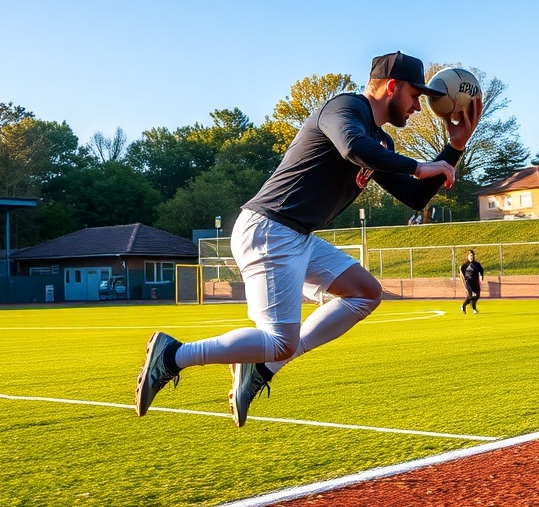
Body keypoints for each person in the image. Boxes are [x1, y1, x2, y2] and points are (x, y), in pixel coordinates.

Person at [135, 51, 481, 427]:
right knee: (279, 341)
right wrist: (418, 165)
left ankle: (260, 369)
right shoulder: (344, 107)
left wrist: (455, 146)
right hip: (269, 229)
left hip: (295, 236)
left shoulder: (381, 142)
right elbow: (351, 146)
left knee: (366, 293)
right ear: (392, 87)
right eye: (414, 96)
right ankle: (172, 356)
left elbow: (414, 196)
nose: (417, 107)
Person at [460, 249, 484, 314]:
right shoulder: (464, 265)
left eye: (472, 255)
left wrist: (481, 277)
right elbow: (462, 275)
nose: (471, 257)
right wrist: (464, 285)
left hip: (475, 282)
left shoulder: (477, 264)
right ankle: (465, 306)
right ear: (467, 256)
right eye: (470, 255)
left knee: (477, 296)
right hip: (468, 282)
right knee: (470, 295)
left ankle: (471, 307)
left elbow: (481, 271)